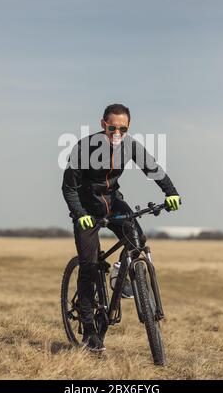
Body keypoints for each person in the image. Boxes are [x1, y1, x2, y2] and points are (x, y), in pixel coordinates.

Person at [62, 103, 181, 351]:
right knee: (89, 267)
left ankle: (121, 272)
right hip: (87, 210)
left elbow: (152, 169)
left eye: (123, 129)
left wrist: (171, 192)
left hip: (113, 202)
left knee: (137, 239)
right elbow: (69, 188)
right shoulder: (84, 148)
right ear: (103, 124)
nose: (117, 133)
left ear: (128, 128)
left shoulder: (130, 146)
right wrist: (79, 213)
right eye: (112, 127)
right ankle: (90, 332)